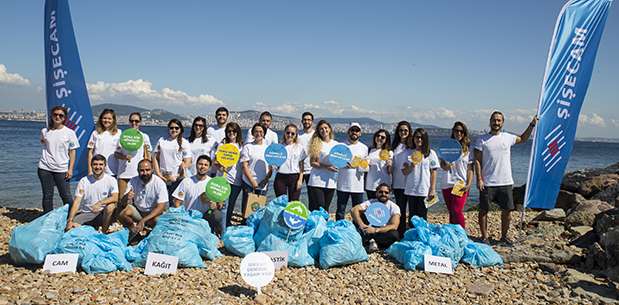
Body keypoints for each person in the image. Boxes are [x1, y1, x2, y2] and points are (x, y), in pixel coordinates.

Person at [474, 111, 537, 244]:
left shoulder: (508, 137)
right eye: (494, 120)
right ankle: (484, 237)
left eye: (499, 120)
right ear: (490, 121)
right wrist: (479, 178)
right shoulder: (481, 140)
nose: (496, 123)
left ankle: (504, 237)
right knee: (484, 210)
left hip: (506, 182)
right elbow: (477, 161)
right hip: (487, 182)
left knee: (507, 211)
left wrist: (532, 125)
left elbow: (523, 138)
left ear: (502, 123)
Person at [38, 105, 79, 213]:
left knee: (65, 195)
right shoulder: (45, 131)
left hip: (61, 168)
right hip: (44, 167)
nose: (58, 117)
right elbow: (43, 142)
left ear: (65, 118)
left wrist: (70, 169)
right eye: (55, 114)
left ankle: (70, 217)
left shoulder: (70, 133)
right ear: (51, 116)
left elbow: (72, 151)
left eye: (61, 115)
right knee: (47, 196)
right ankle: (47, 217)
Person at [65, 154, 119, 233]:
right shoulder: (84, 181)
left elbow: (115, 197)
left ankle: (104, 231)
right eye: (95, 164)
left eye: (101, 164)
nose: (98, 167)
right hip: (87, 213)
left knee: (110, 206)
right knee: (70, 229)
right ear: (91, 165)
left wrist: (100, 203)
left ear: (105, 166)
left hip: (102, 214)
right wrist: (70, 220)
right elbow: (77, 202)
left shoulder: (111, 180)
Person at [172, 155, 224, 235]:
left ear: (209, 168)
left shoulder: (212, 183)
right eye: (200, 164)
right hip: (188, 217)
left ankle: (212, 231)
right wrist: (182, 216)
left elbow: (220, 205)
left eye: (206, 165)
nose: (202, 166)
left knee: (217, 215)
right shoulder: (186, 181)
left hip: (204, 218)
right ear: (196, 165)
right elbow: (176, 202)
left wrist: (215, 206)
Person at [401, 128, 439, 236]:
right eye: (417, 137)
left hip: (424, 190)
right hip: (411, 189)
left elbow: (433, 172)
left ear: (425, 139)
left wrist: (432, 189)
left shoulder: (431, 153)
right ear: (413, 138)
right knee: (412, 216)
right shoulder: (408, 153)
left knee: (423, 216)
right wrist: (411, 166)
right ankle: (413, 237)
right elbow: (404, 172)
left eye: (421, 137)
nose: (419, 139)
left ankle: (423, 237)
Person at [118, 159, 168, 233]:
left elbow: (161, 207)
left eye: (147, 170)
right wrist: (126, 197)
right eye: (142, 170)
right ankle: (133, 230)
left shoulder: (159, 183)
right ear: (138, 171)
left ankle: (150, 232)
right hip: (139, 211)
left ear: (152, 170)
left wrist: (144, 220)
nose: (145, 173)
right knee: (122, 213)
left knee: (158, 220)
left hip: (152, 214)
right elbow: (122, 203)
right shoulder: (133, 181)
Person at [440, 122, 474, 229]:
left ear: (464, 133)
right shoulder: (447, 148)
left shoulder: (468, 151)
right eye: (456, 130)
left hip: (460, 183)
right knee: (451, 211)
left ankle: (461, 234)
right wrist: (447, 164)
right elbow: (443, 167)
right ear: (453, 132)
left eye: (461, 131)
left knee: (457, 210)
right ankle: (453, 234)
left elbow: (469, 169)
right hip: (447, 183)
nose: (458, 133)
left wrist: (469, 184)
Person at [351, 183, 400, 252]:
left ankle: (370, 241)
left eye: (386, 192)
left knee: (394, 235)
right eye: (381, 192)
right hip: (367, 228)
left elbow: (394, 226)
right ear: (376, 193)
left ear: (389, 194)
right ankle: (373, 242)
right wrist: (361, 224)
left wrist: (375, 230)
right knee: (358, 217)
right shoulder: (371, 202)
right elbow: (354, 210)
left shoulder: (394, 207)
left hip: (381, 231)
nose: (383, 194)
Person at [115, 112, 152, 205]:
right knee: (122, 201)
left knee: (138, 200)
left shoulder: (144, 137)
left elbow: (147, 155)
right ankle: (119, 219)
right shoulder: (123, 136)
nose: (134, 123)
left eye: (136, 121)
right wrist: (124, 157)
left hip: (138, 174)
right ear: (129, 122)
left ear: (140, 122)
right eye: (132, 121)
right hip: (123, 173)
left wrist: (148, 171)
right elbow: (116, 154)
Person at [152, 119, 192, 203]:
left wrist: (177, 175)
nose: (174, 130)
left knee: (174, 204)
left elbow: (187, 162)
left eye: (176, 128)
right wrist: (158, 173)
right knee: (161, 203)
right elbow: (154, 157)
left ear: (180, 129)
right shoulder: (162, 140)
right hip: (162, 178)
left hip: (177, 179)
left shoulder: (184, 142)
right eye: (171, 128)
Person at [214, 122, 244, 229]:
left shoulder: (241, 146)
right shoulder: (222, 145)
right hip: (223, 178)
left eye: (234, 131)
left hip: (236, 179)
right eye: (229, 131)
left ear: (237, 133)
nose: (231, 133)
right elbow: (215, 161)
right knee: (222, 206)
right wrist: (220, 165)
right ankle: (221, 228)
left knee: (231, 205)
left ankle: (226, 225)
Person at [335, 122, 368, 220]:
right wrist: (342, 164)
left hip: (358, 185)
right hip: (342, 184)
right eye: (352, 130)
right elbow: (335, 161)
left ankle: (357, 232)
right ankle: (338, 231)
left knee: (358, 212)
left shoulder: (364, 148)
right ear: (348, 132)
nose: (354, 132)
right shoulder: (341, 145)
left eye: (357, 130)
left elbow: (366, 166)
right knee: (340, 211)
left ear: (360, 133)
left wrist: (357, 165)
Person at [240, 123, 273, 218]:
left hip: (263, 184)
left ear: (264, 133)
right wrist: (253, 183)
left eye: (261, 131)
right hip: (248, 183)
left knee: (259, 209)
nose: (258, 133)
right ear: (253, 133)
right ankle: (245, 227)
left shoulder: (268, 149)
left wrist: (265, 180)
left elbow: (270, 168)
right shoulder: (247, 147)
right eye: (256, 131)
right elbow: (244, 166)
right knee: (247, 210)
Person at [307, 120, 339, 212]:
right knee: (320, 206)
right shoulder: (316, 143)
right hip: (317, 180)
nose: (324, 130)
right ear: (318, 131)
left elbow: (341, 160)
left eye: (325, 128)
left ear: (329, 129)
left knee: (326, 208)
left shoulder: (336, 144)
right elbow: (312, 162)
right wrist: (327, 167)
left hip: (331, 181)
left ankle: (323, 225)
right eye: (321, 129)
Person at [273, 124, 306, 201]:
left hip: (294, 177)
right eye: (288, 133)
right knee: (280, 203)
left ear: (296, 135)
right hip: (280, 177)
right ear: (284, 133)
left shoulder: (300, 148)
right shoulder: (279, 147)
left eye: (292, 133)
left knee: (293, 203)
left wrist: (300, 180)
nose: (290, 135)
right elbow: (275, 164)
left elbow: (301, 165)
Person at [87, 108, 121, 176]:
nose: (106, 120)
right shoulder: (95, 133)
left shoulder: (119, 133)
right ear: (101, 119)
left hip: (112, 170)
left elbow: (120, 151)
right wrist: (90, 170)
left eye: (109, 119)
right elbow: (90, 152)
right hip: (97, 169)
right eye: (104, 118)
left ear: (113, 120)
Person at [391, 121, 412, 223]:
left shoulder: (412, 147)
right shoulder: (394, 147)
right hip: (397, 183)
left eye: (405, 130)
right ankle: (401, 232)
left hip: (411, 183)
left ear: (409, 132)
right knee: (400, 209)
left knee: (413, 210)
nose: (403, 132)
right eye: (401, 130)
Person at [365, 129, 393, 200]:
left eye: (383, 137)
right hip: (370, 185)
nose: (379, 138)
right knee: (371, 207)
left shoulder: (389, 152)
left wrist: (389, 165)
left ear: (386, 140)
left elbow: (390, 171)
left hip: (383, 185)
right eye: (378, 136)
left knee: (382, 207)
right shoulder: (369, 150)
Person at [297, 112, 315, 204]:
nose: (306, 121)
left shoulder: (316, 135)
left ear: (312, 121)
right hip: (298, 169)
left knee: (312, 198)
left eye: (309, 120)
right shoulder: (297, 134)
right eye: (305, 119)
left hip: (312, 170)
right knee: (295, 195)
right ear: (302, 121)